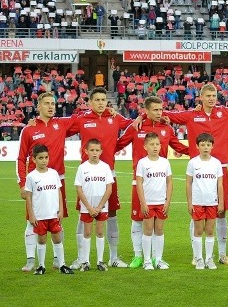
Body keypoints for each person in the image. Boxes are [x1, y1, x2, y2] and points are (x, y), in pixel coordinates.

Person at [164, 83, 228, 266]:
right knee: (196, 213)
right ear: (200, 97)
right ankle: (196, 255)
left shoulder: (225, 113)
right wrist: (142, 115)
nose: (211, 98)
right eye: (208, 95)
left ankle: (222, 254)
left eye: (214, 95)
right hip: (199, 170)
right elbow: (166, 114)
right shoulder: (191, 115)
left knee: (221, 212)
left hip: (221, 169)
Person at [115, 96, 190, 268]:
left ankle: (157, 258)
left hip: (159, 184)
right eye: (155, 110)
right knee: (137, 219)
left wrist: (197, 152)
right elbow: (119, 145)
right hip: (139, 183)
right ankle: (138, 256)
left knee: (158, 224)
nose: (159, 113)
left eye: (161, 109)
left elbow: (178, 147)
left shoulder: (167, 128)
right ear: (146, 111)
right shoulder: (136, 127)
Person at [69, 87, 132, 269]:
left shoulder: (114, 118)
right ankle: (82, 258)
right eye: (97, 99)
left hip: (108, 174)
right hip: (87, 176)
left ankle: (113, 257)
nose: (101, 102)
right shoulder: (82, 119)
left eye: (103, 99)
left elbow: (132, 123)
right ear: (90, 102)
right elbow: (62, 129)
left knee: (111, 214)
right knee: (84, 215)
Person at [17, 91, 79, 272]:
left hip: (57, 181)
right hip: (35, 182)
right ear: (39, 106)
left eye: (53, 103)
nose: (51, 106)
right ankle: (30, 260)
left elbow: (82, 119)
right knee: (32, 221)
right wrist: (22, 183)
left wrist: (107, 112)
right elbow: (21, 158)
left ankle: (57, 260)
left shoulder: (61, 124)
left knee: (57, 219)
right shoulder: (28, 129)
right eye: (47, 103)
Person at [24, 144, 74, 275]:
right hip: (40, 215)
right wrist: (31, 215)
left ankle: (62, 264)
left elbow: (59, 193)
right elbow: (28, 197)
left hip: (53, 214)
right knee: (41, 240)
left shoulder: (53, 173)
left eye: (46, 157)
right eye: (41, 158)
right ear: (34, 159)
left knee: (57, 238)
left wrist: (61, 210)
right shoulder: (31, 177)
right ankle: (41, 266)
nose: (44, 160)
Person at [73, 139, 114, 272]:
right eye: (92, 150)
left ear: (101, 152)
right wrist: (90, 207)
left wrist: (99, 206)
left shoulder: (105, 167)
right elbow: (79, 189)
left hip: (101, 206)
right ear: (86, 151)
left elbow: (109, 189)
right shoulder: (82, 168)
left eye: (97, 150)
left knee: (100, 232)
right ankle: (85, 262)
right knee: (87, 232)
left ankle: (100, 261)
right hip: (87, 207)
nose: (94, 153)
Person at [186, 132, 224, 270]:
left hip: (212, 202)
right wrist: (189, 202)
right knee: (198, 230)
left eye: (208, 144)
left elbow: (220, 184)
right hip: (197, 202)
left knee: (209, 230)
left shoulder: (216, 163)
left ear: (212, 146)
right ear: (197, 146)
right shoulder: (192, 163)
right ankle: (198, 259)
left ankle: (209, 259)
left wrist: (221, 202)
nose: (205, 147)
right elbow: (189, 183)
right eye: (202, 145)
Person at [135, 132, 173, 270]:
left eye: (157, 144)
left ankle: (158, 259)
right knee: (148, 230)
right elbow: (139, 183)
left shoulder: (165, 162)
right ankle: (147, 260)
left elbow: (169, 182)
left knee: (159, 230)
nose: (155, 147)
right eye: (152, 144)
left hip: (161, 202)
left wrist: (167, 201)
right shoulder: (142, 163)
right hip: (148, 202)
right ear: (145, 147)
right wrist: (143, 203)